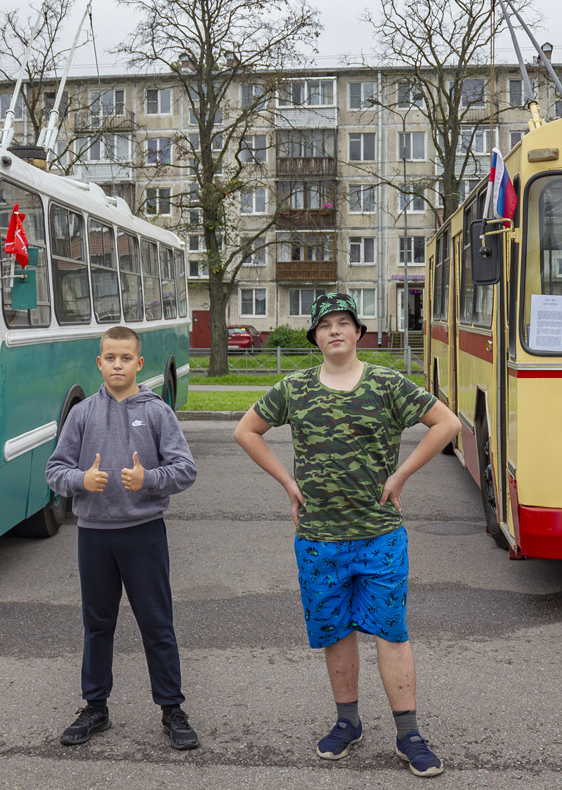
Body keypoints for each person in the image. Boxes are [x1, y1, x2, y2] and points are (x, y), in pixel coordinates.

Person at [234, 291, 461, 777]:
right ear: (315, 336)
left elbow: (447, 423)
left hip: (379, 535)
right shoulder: (295, 388)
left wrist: (401, 476)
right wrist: (288, 482)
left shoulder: (386, 384)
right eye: (325, 325)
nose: (335, 330)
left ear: (358, 332)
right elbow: (246, 431)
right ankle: (348, 723)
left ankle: (409, 734)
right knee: (336, 633)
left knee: (390, 632)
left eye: (344, 323)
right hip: (318, 538)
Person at [44, 325, 200, 750]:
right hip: (94, 536)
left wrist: (148, 479)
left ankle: (172, 709)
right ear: (100, 362)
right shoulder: (82, 414)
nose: (117, 364)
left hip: (143, 534)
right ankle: (96, 707)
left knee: (156, 623)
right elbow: (54, 471)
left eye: (125, 358)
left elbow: (185, 468)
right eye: (110, 357)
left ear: (138, 363)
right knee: (97, 624)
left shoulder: (156, 412)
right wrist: (81, 480)